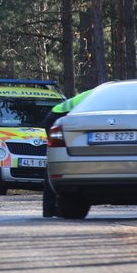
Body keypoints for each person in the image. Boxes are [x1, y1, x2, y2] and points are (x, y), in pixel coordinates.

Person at [42, 88, 94, 218]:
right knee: (57, 163)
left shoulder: (102, 91)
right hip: (57, 117)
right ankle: (50, 208)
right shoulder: (103, 94)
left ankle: (51, 208)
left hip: (60, 115)